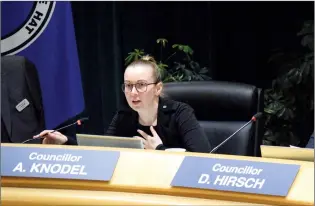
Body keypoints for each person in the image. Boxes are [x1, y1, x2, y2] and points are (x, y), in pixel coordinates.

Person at [36, 55, 212, 153]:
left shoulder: (180, 113)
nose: (133, 92)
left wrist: (159, 149)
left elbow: (202, 157)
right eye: (128, 86)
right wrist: (65, 140)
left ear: (158, 88)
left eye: (141, 85)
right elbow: (102, 150)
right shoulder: (125, 116)